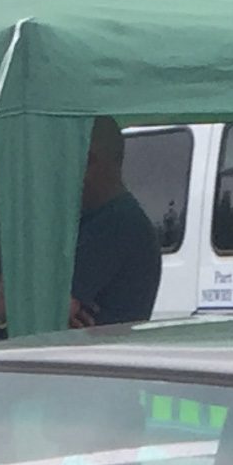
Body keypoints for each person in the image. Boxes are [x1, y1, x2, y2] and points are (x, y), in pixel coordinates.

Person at [71, 116, 162, 327]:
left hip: (94, 353)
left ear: (90, 161)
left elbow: (51, 309)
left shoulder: (116, 224)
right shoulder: (106, 219)